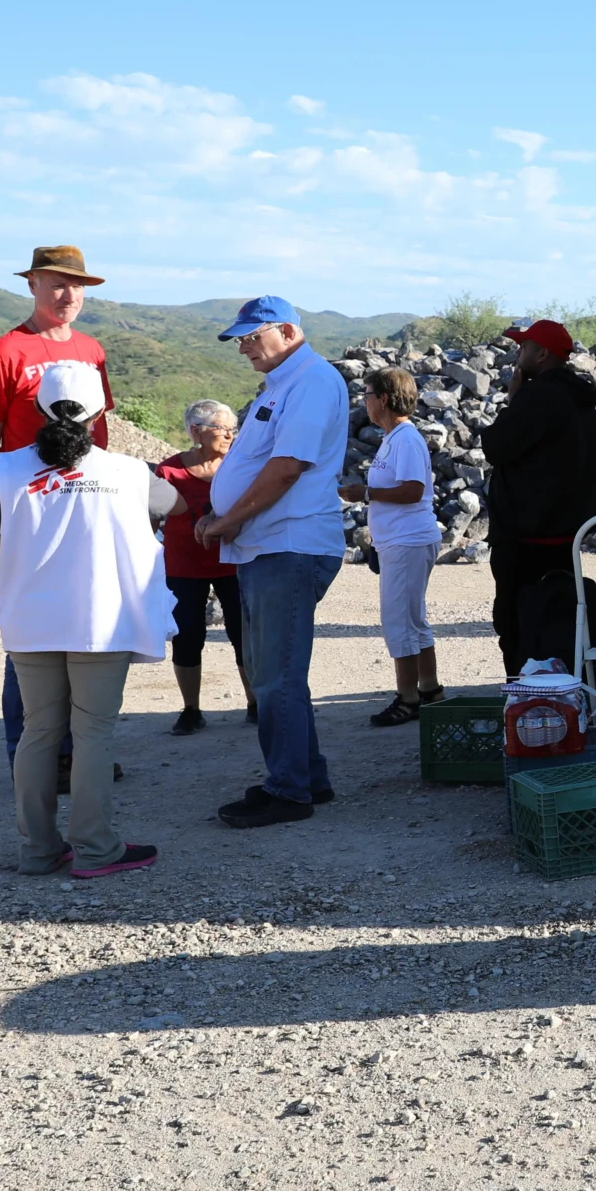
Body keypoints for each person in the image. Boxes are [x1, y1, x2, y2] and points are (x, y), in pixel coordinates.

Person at [0, 362, 175, 879]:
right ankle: (95, 849)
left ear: (39, 408)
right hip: (100, 620)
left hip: (28, 620)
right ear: (100, 411)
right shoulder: (130, 472)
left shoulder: (5, 470)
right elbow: (173, 505)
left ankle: (38, 851)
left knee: (38, 732)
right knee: (93, 735)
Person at [197, 297, 350, 829]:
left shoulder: (310, 382)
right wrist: (222, 514)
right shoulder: (287, 382)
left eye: (249, 336)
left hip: (290, 544)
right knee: (277, 672)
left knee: (274, 676)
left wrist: (227, 518)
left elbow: (287, 468)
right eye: (237, 339)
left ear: (286, 331)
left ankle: (288, 791)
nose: (242, 347)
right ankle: (308, 777)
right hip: (272, 544)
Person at [0, 246, 116, 768]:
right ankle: (31, 753)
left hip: (84, 508)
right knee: (31, 629)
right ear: (31, 284)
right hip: (31, 508)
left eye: (76, 286)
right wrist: (1, 505)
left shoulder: (91, 349)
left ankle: (79, 754)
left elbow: (99, 432)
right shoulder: (7, 350)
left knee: (83, 623)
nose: (68, 295)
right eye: (56, 283)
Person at [481, 318, 596, 677]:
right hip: (566, 530)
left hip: (526, 536)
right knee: (560, 617)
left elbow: (497, 446)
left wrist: (512, 401)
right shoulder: (578, 398)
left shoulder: (539, 395)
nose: (519, 352)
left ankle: (526, 700)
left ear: (543, 353)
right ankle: (567, 694)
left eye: (525, 346)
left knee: (516, 623)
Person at [339, 366, 447, 725]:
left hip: (408, 541)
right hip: (399, 541)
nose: (365, 402)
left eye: (367, 395)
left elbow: (414, 490)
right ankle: (429, 689)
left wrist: (366, 493)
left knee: (399, 622)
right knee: (413, 619)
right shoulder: (393, 438)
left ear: (383, 399)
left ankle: (409, 697)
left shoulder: (406, 439)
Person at [154, 400, 254, 734]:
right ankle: (191, 709)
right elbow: (150, 520)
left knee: (244, 634)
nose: (230, 435)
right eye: (222, 428)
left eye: (232, 429)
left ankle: (256, 703)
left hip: (234, 563)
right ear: (197, 431)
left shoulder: (239, 466)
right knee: (187, 637)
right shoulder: (168, 472)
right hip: (183, 567)